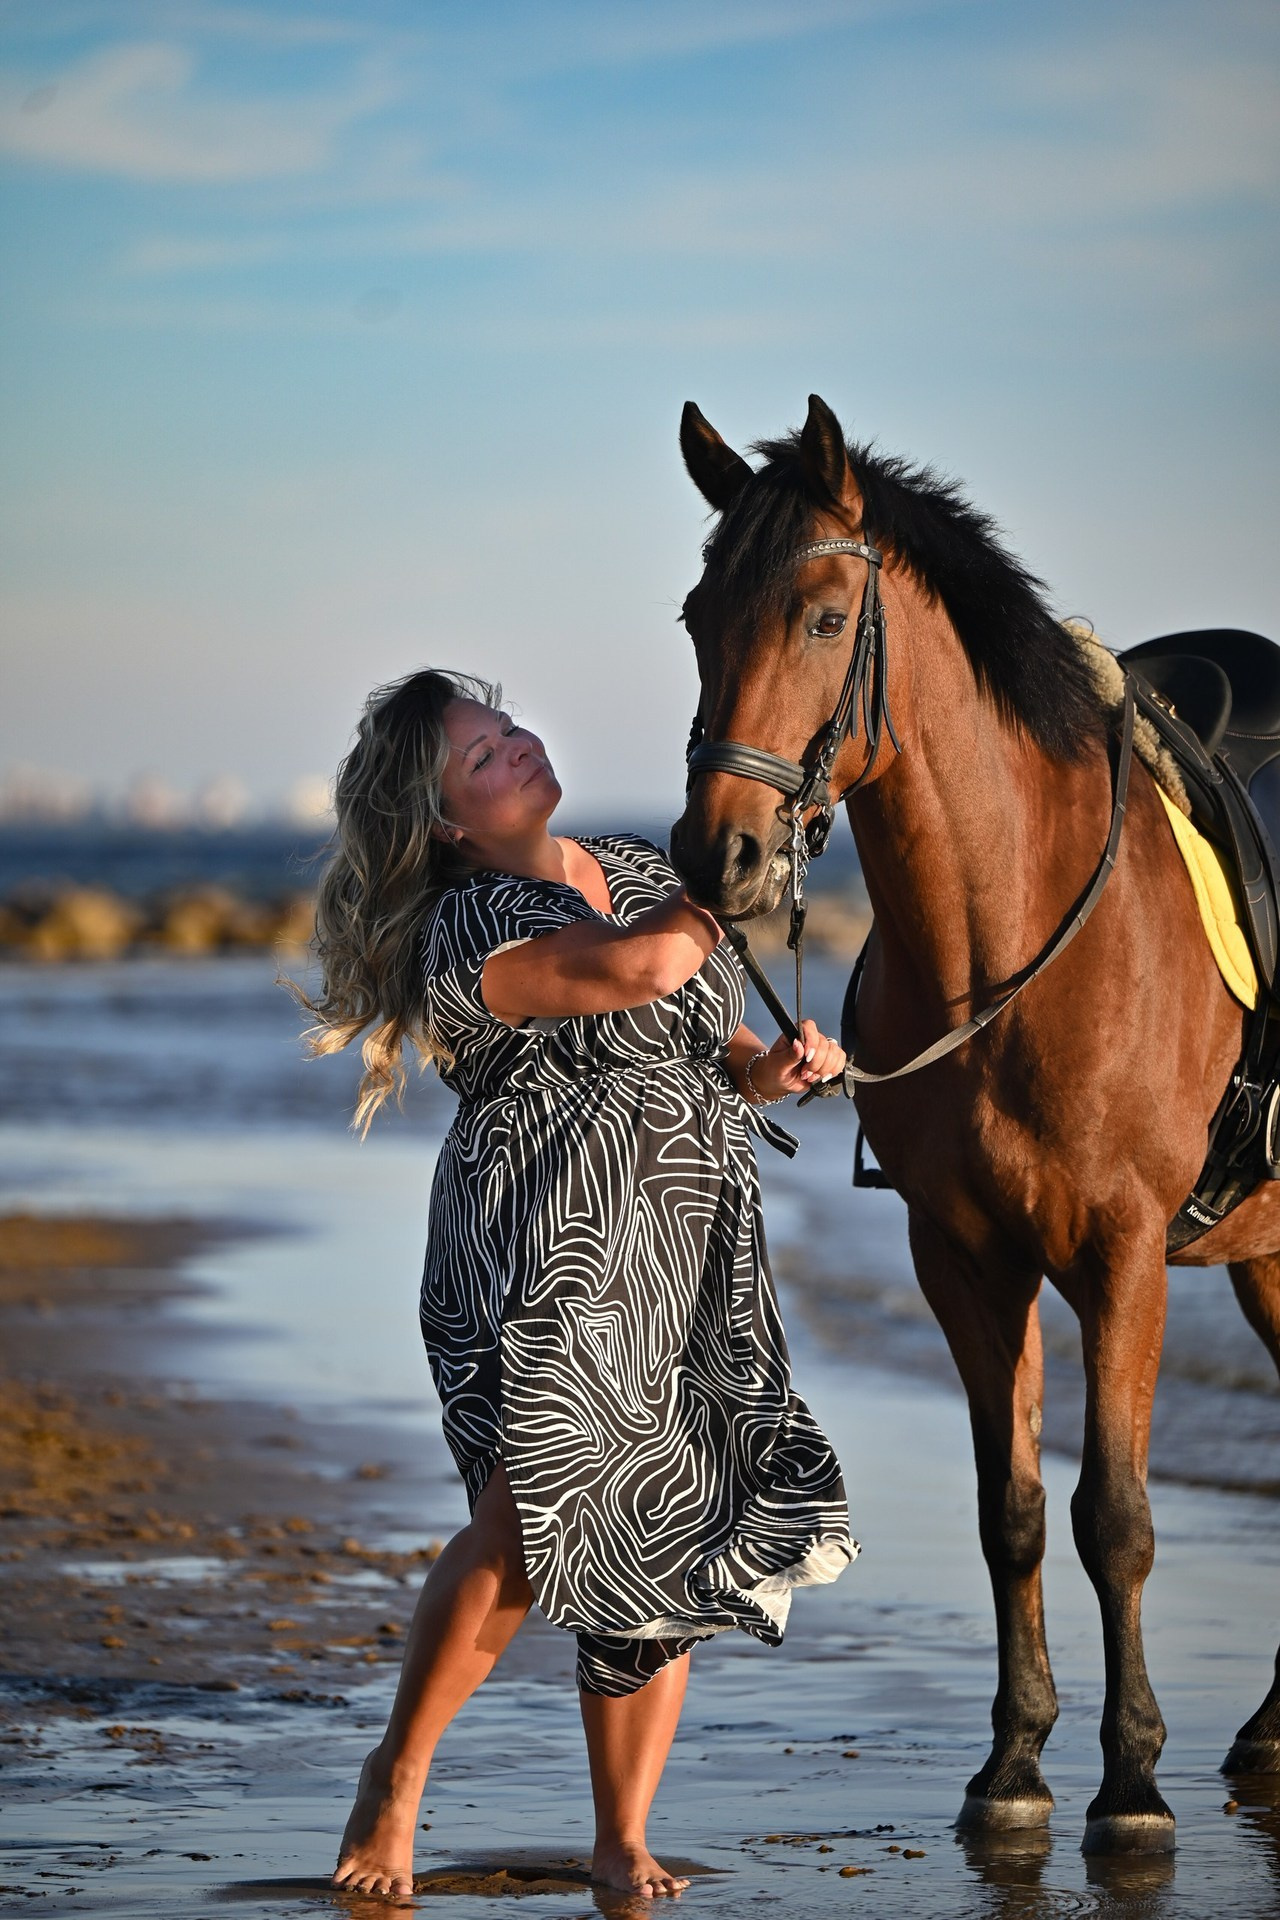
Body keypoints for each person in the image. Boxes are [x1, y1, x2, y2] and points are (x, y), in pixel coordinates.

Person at [303, 668, 857, 1900]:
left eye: (508, 730)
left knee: (662, 1524)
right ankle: (396, 1777)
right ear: (443, 820)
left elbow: (700, 1030)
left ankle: (620, 1833)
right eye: (481, 756)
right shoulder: (465, 920)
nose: (516, 748)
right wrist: (728, 883)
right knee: (528, 1515)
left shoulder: (633, 866)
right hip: (548, 1235)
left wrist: (771, 1071)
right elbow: (635, 974)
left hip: (686, 1234)